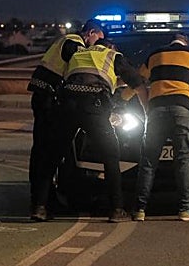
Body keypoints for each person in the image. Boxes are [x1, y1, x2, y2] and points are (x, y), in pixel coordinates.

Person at [133, 31, 189, 222]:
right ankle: (185, 208)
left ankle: (139, 209)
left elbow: (139, 79)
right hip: (182, 109)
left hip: (156, 111)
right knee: (182, 159)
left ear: (170, 43)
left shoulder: (154, 55)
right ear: (185, 42)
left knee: (148, 161)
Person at [55, 33, 143, 222]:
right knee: (111, 156)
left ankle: (41, 206)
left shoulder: (80, 54)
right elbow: (137, 82)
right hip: (93, 107)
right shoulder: (112, 56)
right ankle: (117, 209)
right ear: (111, 47)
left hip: (68, 105)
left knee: (56, 154)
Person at [26, 19, 103, 221]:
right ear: (91, 33)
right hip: (48, 100)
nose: (96, 45)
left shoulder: (66, 41)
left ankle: (42, 201)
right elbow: (78, 68)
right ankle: (43, 202)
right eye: (97, 39)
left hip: (44, 96)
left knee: (43, 151)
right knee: (48, 151)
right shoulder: (73, 43)